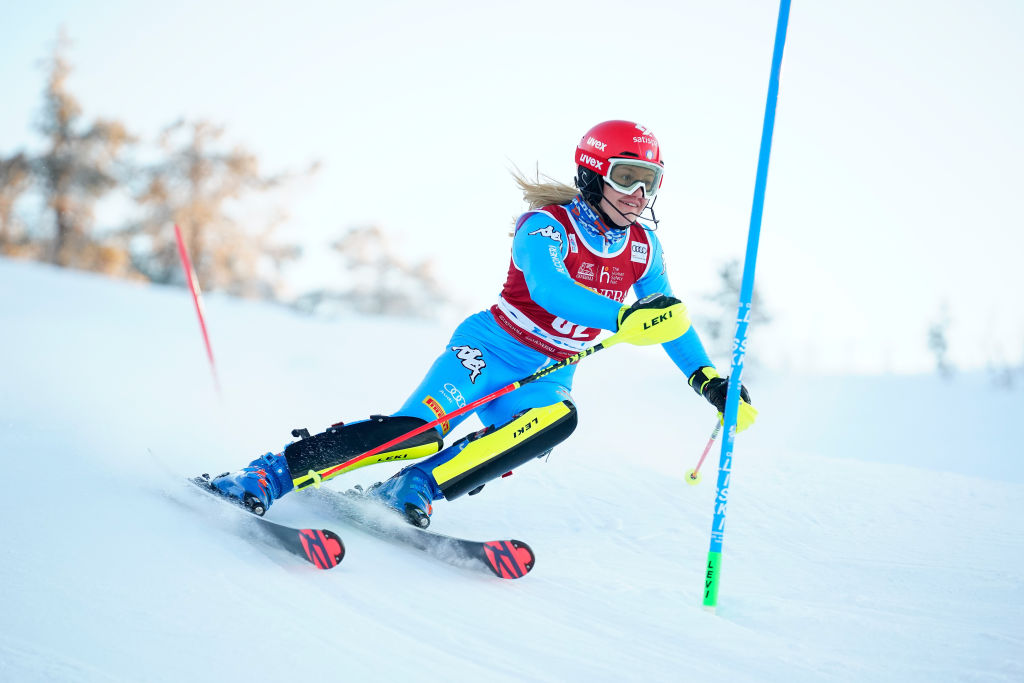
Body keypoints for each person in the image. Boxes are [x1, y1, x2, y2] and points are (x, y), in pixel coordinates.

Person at [206, 120, 758, 527]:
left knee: (557, 421)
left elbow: (667, 318)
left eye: (650, 182)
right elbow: (549, 290)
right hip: (490, 350)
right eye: (627, 177)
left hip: (551, 373)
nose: (639, 195)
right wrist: (620, 315)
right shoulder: (545, 225)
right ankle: (268, 473)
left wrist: (707, 380)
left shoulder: (643, 248)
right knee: (413, 433)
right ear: (593, 173)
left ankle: (414, 487)